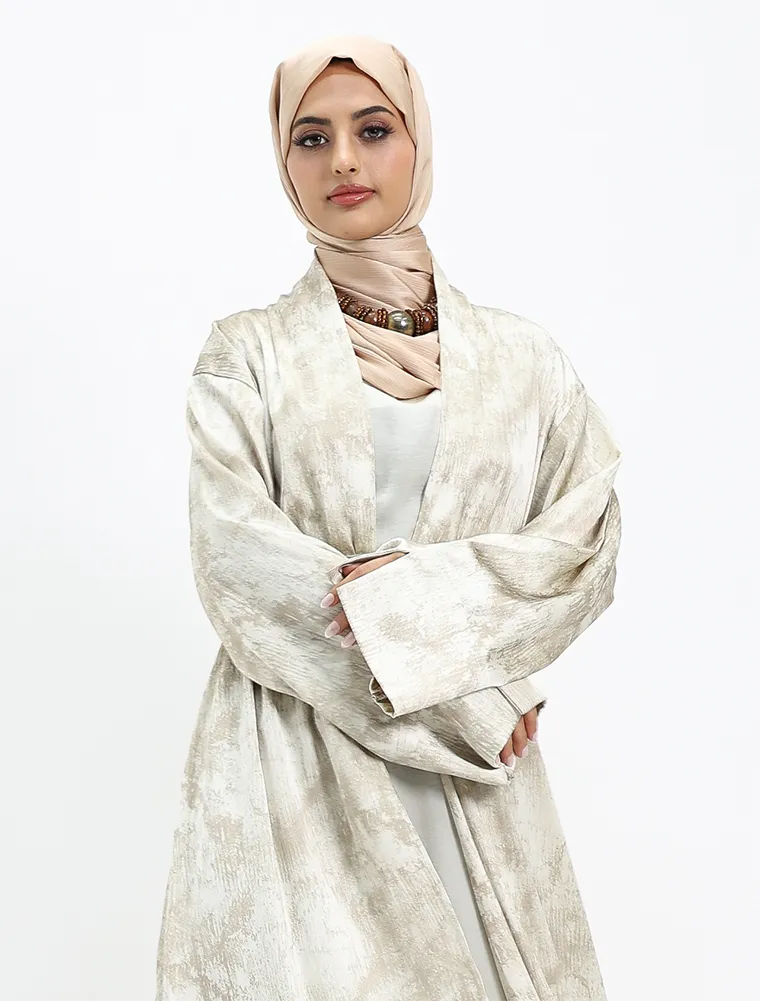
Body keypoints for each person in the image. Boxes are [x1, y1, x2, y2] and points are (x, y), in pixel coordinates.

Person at [155, 34, 622, 1001]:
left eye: (373, 130)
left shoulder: (523, 360)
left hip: (474, 780)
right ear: (283, 162)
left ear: (419, 142)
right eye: (311, 138)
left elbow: (581, 548)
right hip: (299, 749)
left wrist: (421, 606)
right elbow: (237, 562)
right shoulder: (249, 354)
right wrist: (467, 697)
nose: (344, 161)